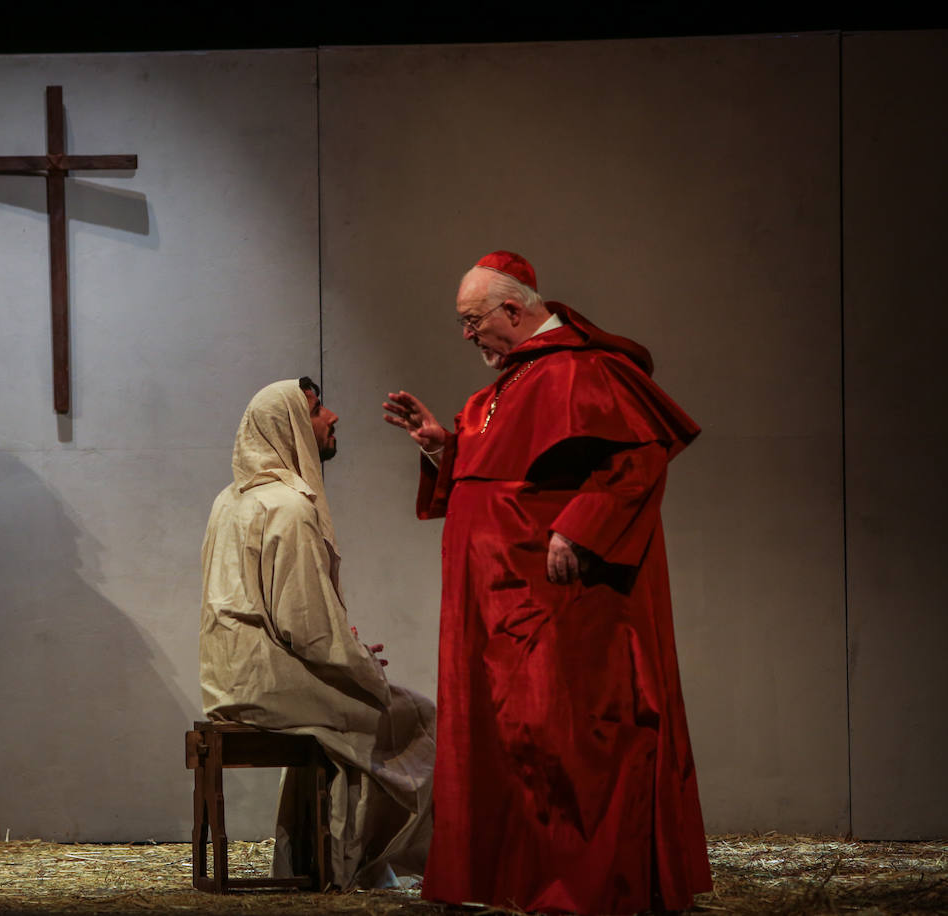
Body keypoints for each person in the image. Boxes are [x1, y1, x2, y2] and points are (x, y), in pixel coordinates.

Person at [382, 252, 711, 913]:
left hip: (556, 602)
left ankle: (582, 887)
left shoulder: (586, 370)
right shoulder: (499, 390)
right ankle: (516, 882)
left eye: (472, 320)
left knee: (564, 741)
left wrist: (581, 529)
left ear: (514, 308)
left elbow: (639, 458)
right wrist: (440, 447)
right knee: (505, 744)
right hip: (492, 609)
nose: (467, 334)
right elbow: (493, 482)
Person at [200, 378, 436, 890]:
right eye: (315, 411)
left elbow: (279, 615)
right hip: (269, 684)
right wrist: (359, 662)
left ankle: (313, 859)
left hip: (231, 680)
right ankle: (362, 866)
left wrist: (342, 648)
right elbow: (307, 630)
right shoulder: (288, 508)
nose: (331, 419)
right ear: (288, 426)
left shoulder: (229, 501)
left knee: (344, 714)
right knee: (416, 717)